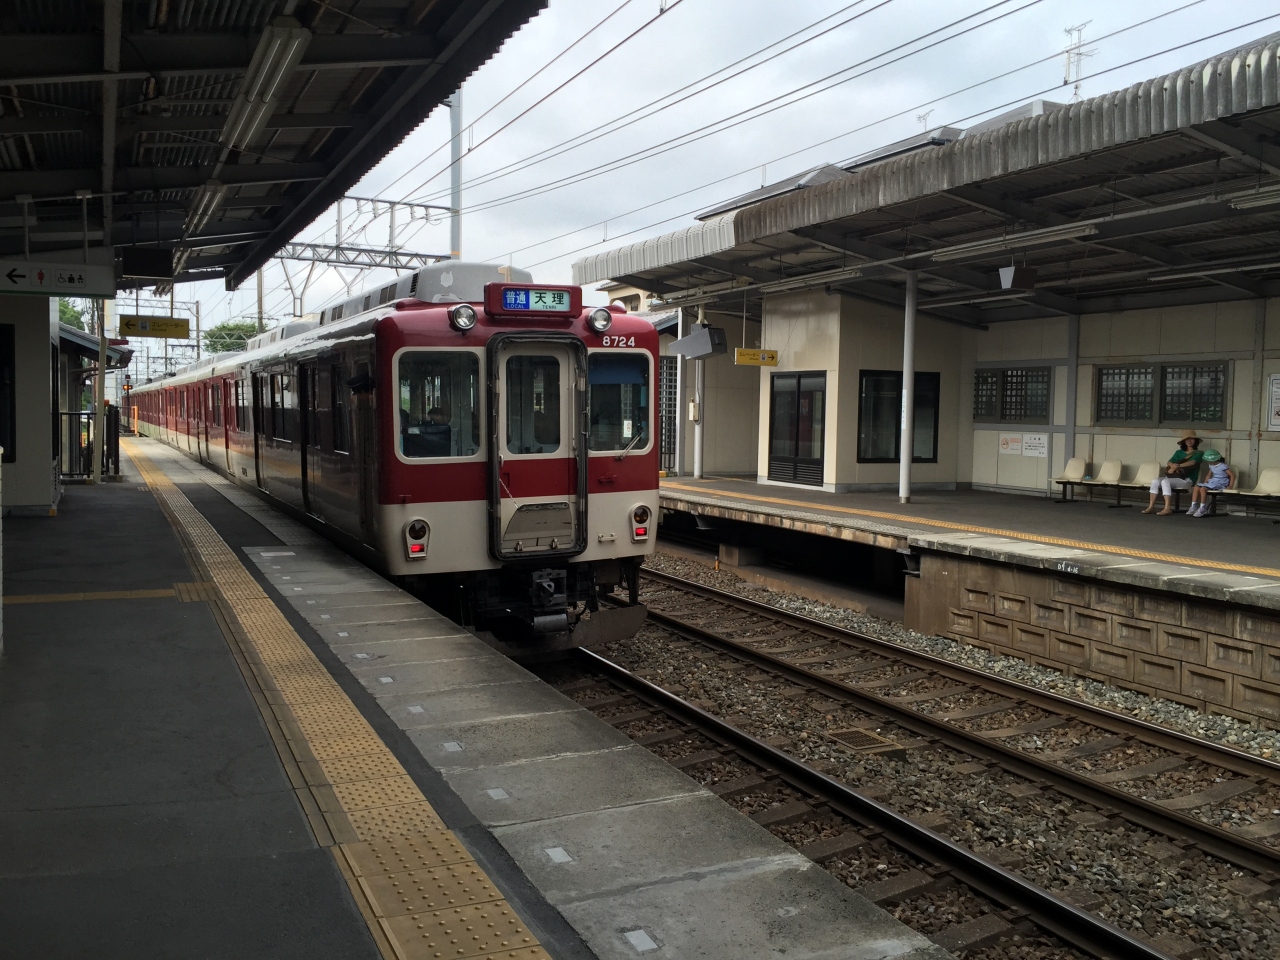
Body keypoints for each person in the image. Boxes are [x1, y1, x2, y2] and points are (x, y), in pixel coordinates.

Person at [1143, 433, 1203, 515]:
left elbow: (1192, 462)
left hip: (1187, 480)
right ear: (1184, 441)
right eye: (1187, 439)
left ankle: (1167, 508)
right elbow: (1169, 462)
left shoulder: (1199, 453)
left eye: (1192, 439)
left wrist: (1176, 466)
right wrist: (1171, 466)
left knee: (1165, 481)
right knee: (1155, 481)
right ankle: (1151, 507)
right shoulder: (1179, 452)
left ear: (1195, 441)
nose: (1189, 440)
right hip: (1174, 477)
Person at [1188, 449, 1234, 517]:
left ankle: (1202, 507)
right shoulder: (1211, 466)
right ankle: (1193, 506)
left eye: (1209, 460)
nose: (1208, 462)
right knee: (1196, 487)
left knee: (1203, 489)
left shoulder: (1223, 466)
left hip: (1221, 482)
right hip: (1213, 481)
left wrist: (1230, 485)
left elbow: (1232, 475)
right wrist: (1205, 483)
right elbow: (1208, 475)